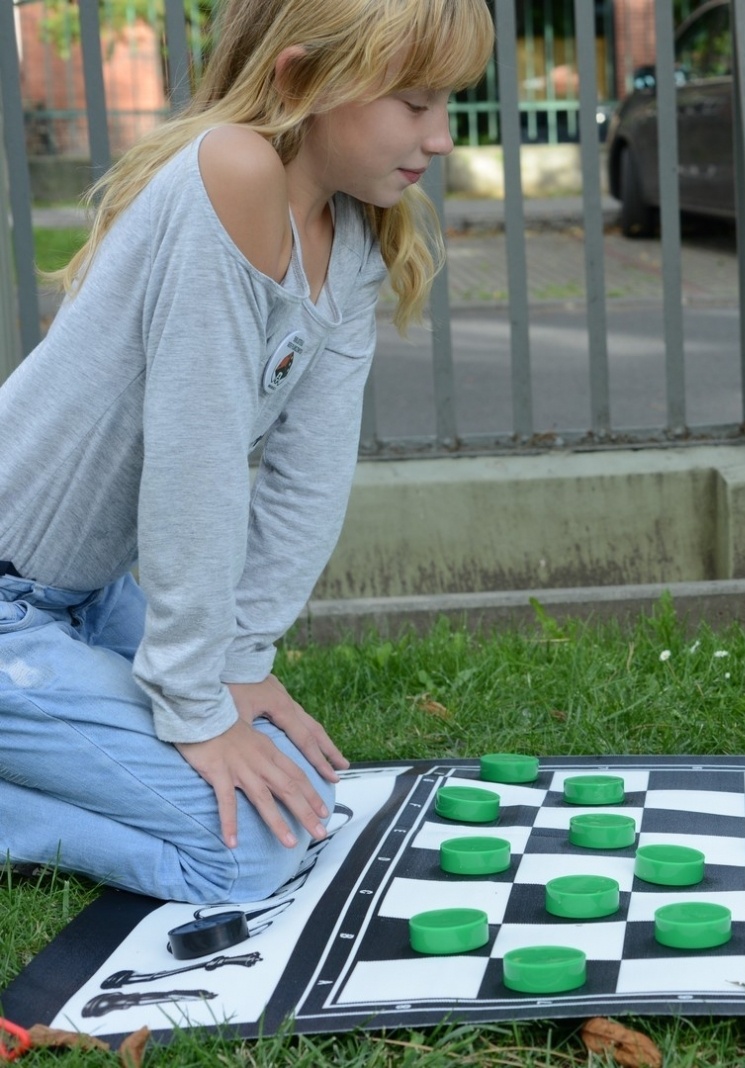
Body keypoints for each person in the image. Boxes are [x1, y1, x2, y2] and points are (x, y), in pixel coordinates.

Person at [0, 0, 493, 903]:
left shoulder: (354, 236)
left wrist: (239, 660)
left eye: (448, 102)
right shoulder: (233, 170)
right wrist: (194, 705)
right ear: (301, 77)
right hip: (9, 609)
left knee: (289, 798)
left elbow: (309, 477)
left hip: (81, 597)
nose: (444, 135)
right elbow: (199, 462)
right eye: (416, 102)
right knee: (246, 857)